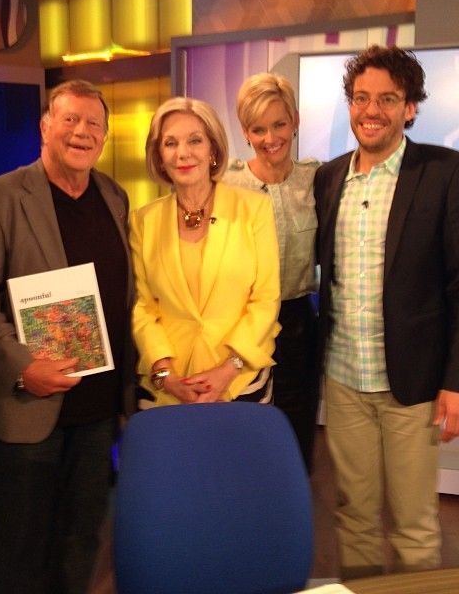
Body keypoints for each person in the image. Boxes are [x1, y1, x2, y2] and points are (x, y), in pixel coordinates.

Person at [0, 79, 135, 594]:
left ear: (104, 137)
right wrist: (25, 367)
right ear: (45, 127)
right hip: (26, 407)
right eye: (70, 119)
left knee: (81, 540)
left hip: (96, 413)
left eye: (93, 124)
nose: (82, 132)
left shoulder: (114, 196)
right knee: (21, 550)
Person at [314, 45, 459, 579]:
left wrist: (455, 382)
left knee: (414, 524)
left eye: (387, 99)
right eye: (360, 98)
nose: (370, 110)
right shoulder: (329, 178)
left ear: (410, 107)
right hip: (344, 380)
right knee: (352, 515)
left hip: (413, 385)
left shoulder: (444, 172)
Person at [130, 97, 280, 408]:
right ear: (159, 157)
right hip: (168, 388)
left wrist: (229, 368)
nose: (183, 153)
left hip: (239, 381)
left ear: (213, 150)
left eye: (195, 140)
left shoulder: (254, 209)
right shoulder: (143, 221)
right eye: (170, 143)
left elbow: (266, 299)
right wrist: (165, 373)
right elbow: (142, 307)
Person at [224, 73, 320, 471]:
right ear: (245, 132)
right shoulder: (226, 184)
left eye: (279, 124)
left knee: (297, 435)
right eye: (258, 129)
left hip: (298, 322)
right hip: (241, 324)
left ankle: (292, 502)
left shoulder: (317, 179)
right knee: (246, 435)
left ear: (295, 121)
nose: (270, 138)